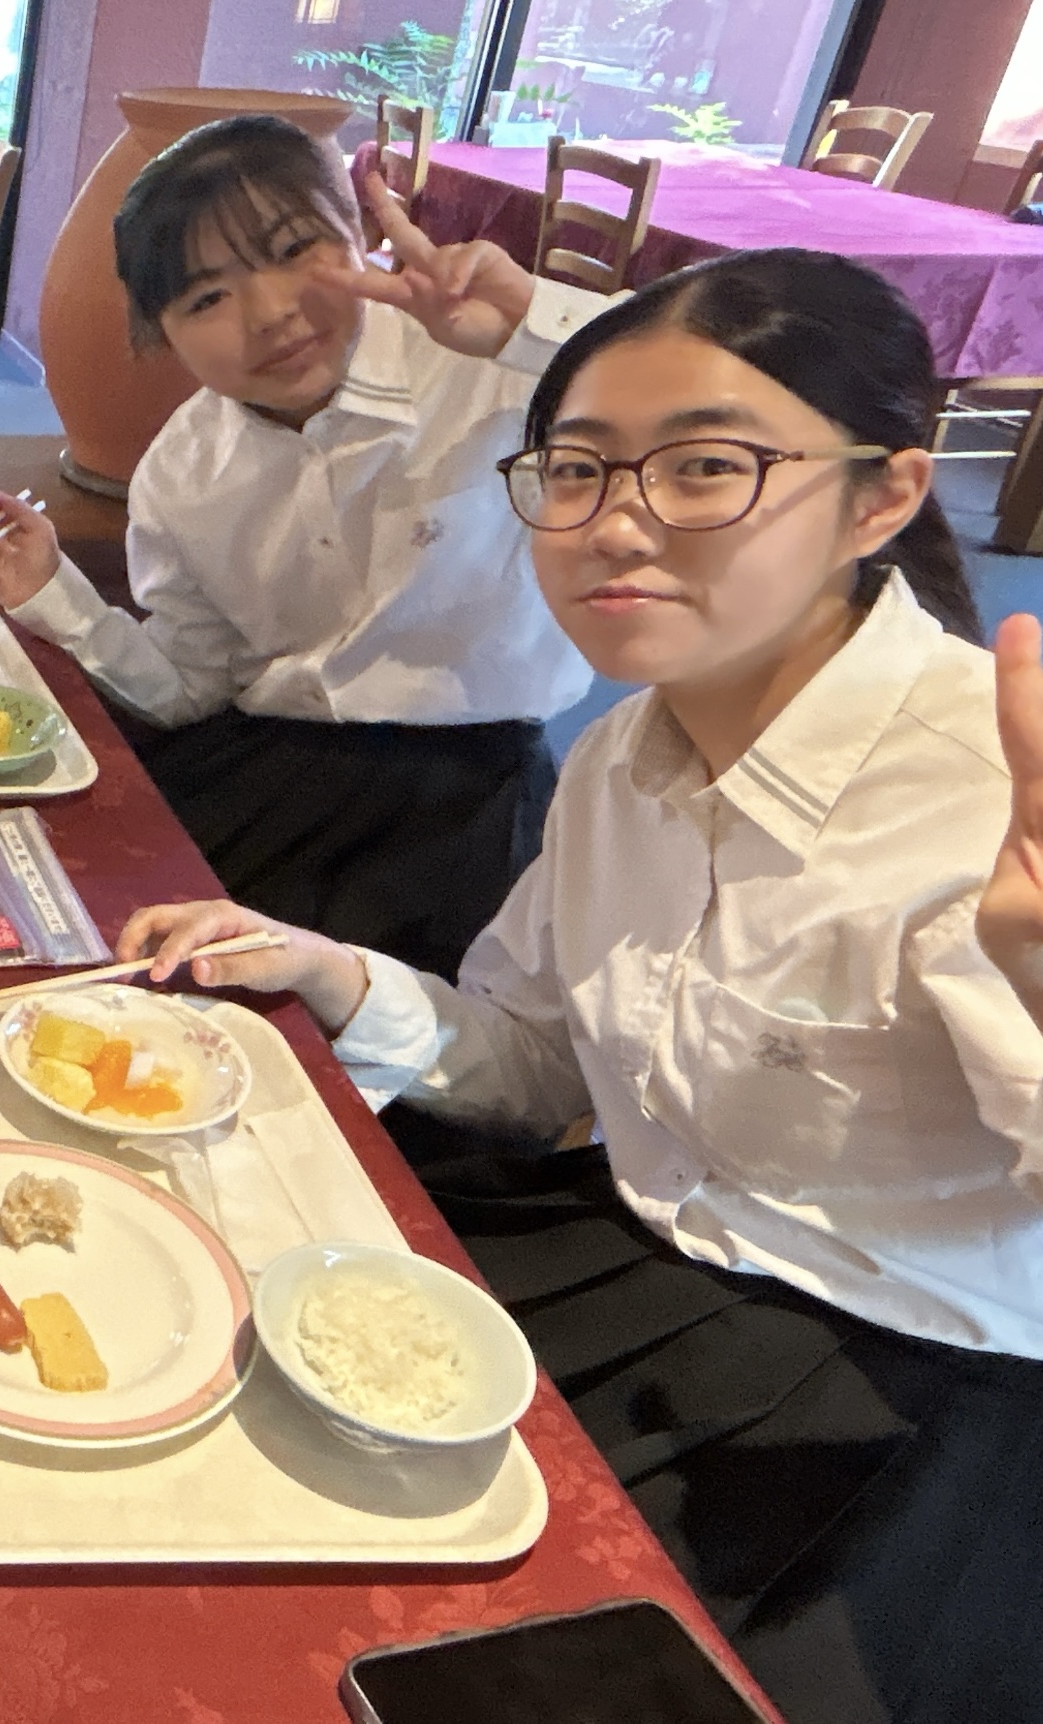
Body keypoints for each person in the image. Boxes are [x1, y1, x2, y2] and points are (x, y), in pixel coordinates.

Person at [119, 250, 1043, 1724]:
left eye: (704, 468)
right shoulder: (618, 753)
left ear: (878, 499)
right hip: (634, 1251)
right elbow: (543, 1064)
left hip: (903, 1406)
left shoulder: (994, 792)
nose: (614, 522)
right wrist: (331, 971)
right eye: (574, 469)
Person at [0, 115, 600, 976]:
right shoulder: (182, 473)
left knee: (408, 1036)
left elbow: (736, 402)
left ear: (362, 234)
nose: (270, 314)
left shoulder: (498, 370)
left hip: (475, 790)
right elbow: (191, 687)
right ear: (158, 335)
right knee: (90, 950)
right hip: (270, 766)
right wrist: (54, 590)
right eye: (206, 298)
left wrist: (538, 329)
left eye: (297, 249)